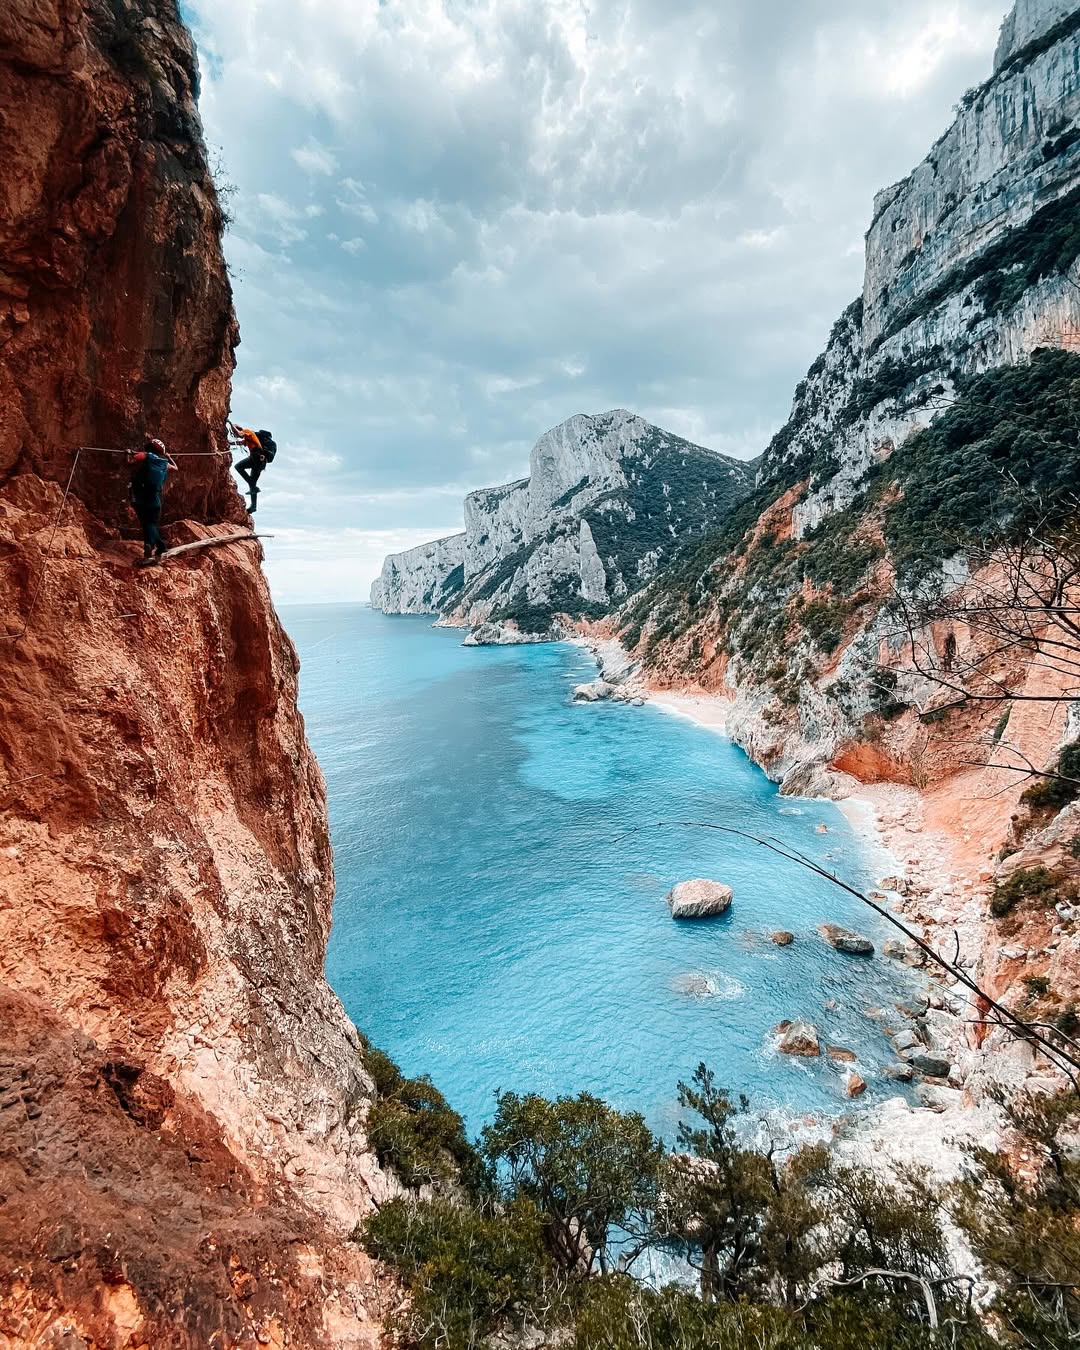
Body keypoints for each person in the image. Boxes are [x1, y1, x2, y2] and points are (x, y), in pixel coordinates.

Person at [126, 437, 177, 562]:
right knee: (150, 524)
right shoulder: (165, 463)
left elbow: (129, 461)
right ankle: (152, 546)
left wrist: (127, 453)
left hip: (142, 497)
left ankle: (157, 546)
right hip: (155, 499)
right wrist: (169, 457)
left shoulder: (146, 455)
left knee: (147, 524)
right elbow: (176, 468)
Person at [228, 422, 277, 514]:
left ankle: (251, 484)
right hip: (262, 464)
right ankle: (253, 506)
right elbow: (239, 442)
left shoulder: (248, 432)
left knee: (238, 466)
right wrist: (229, 443)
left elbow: (238, 434)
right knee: (253, 485)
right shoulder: (251, 438)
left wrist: (231, 424)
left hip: (255, 457)